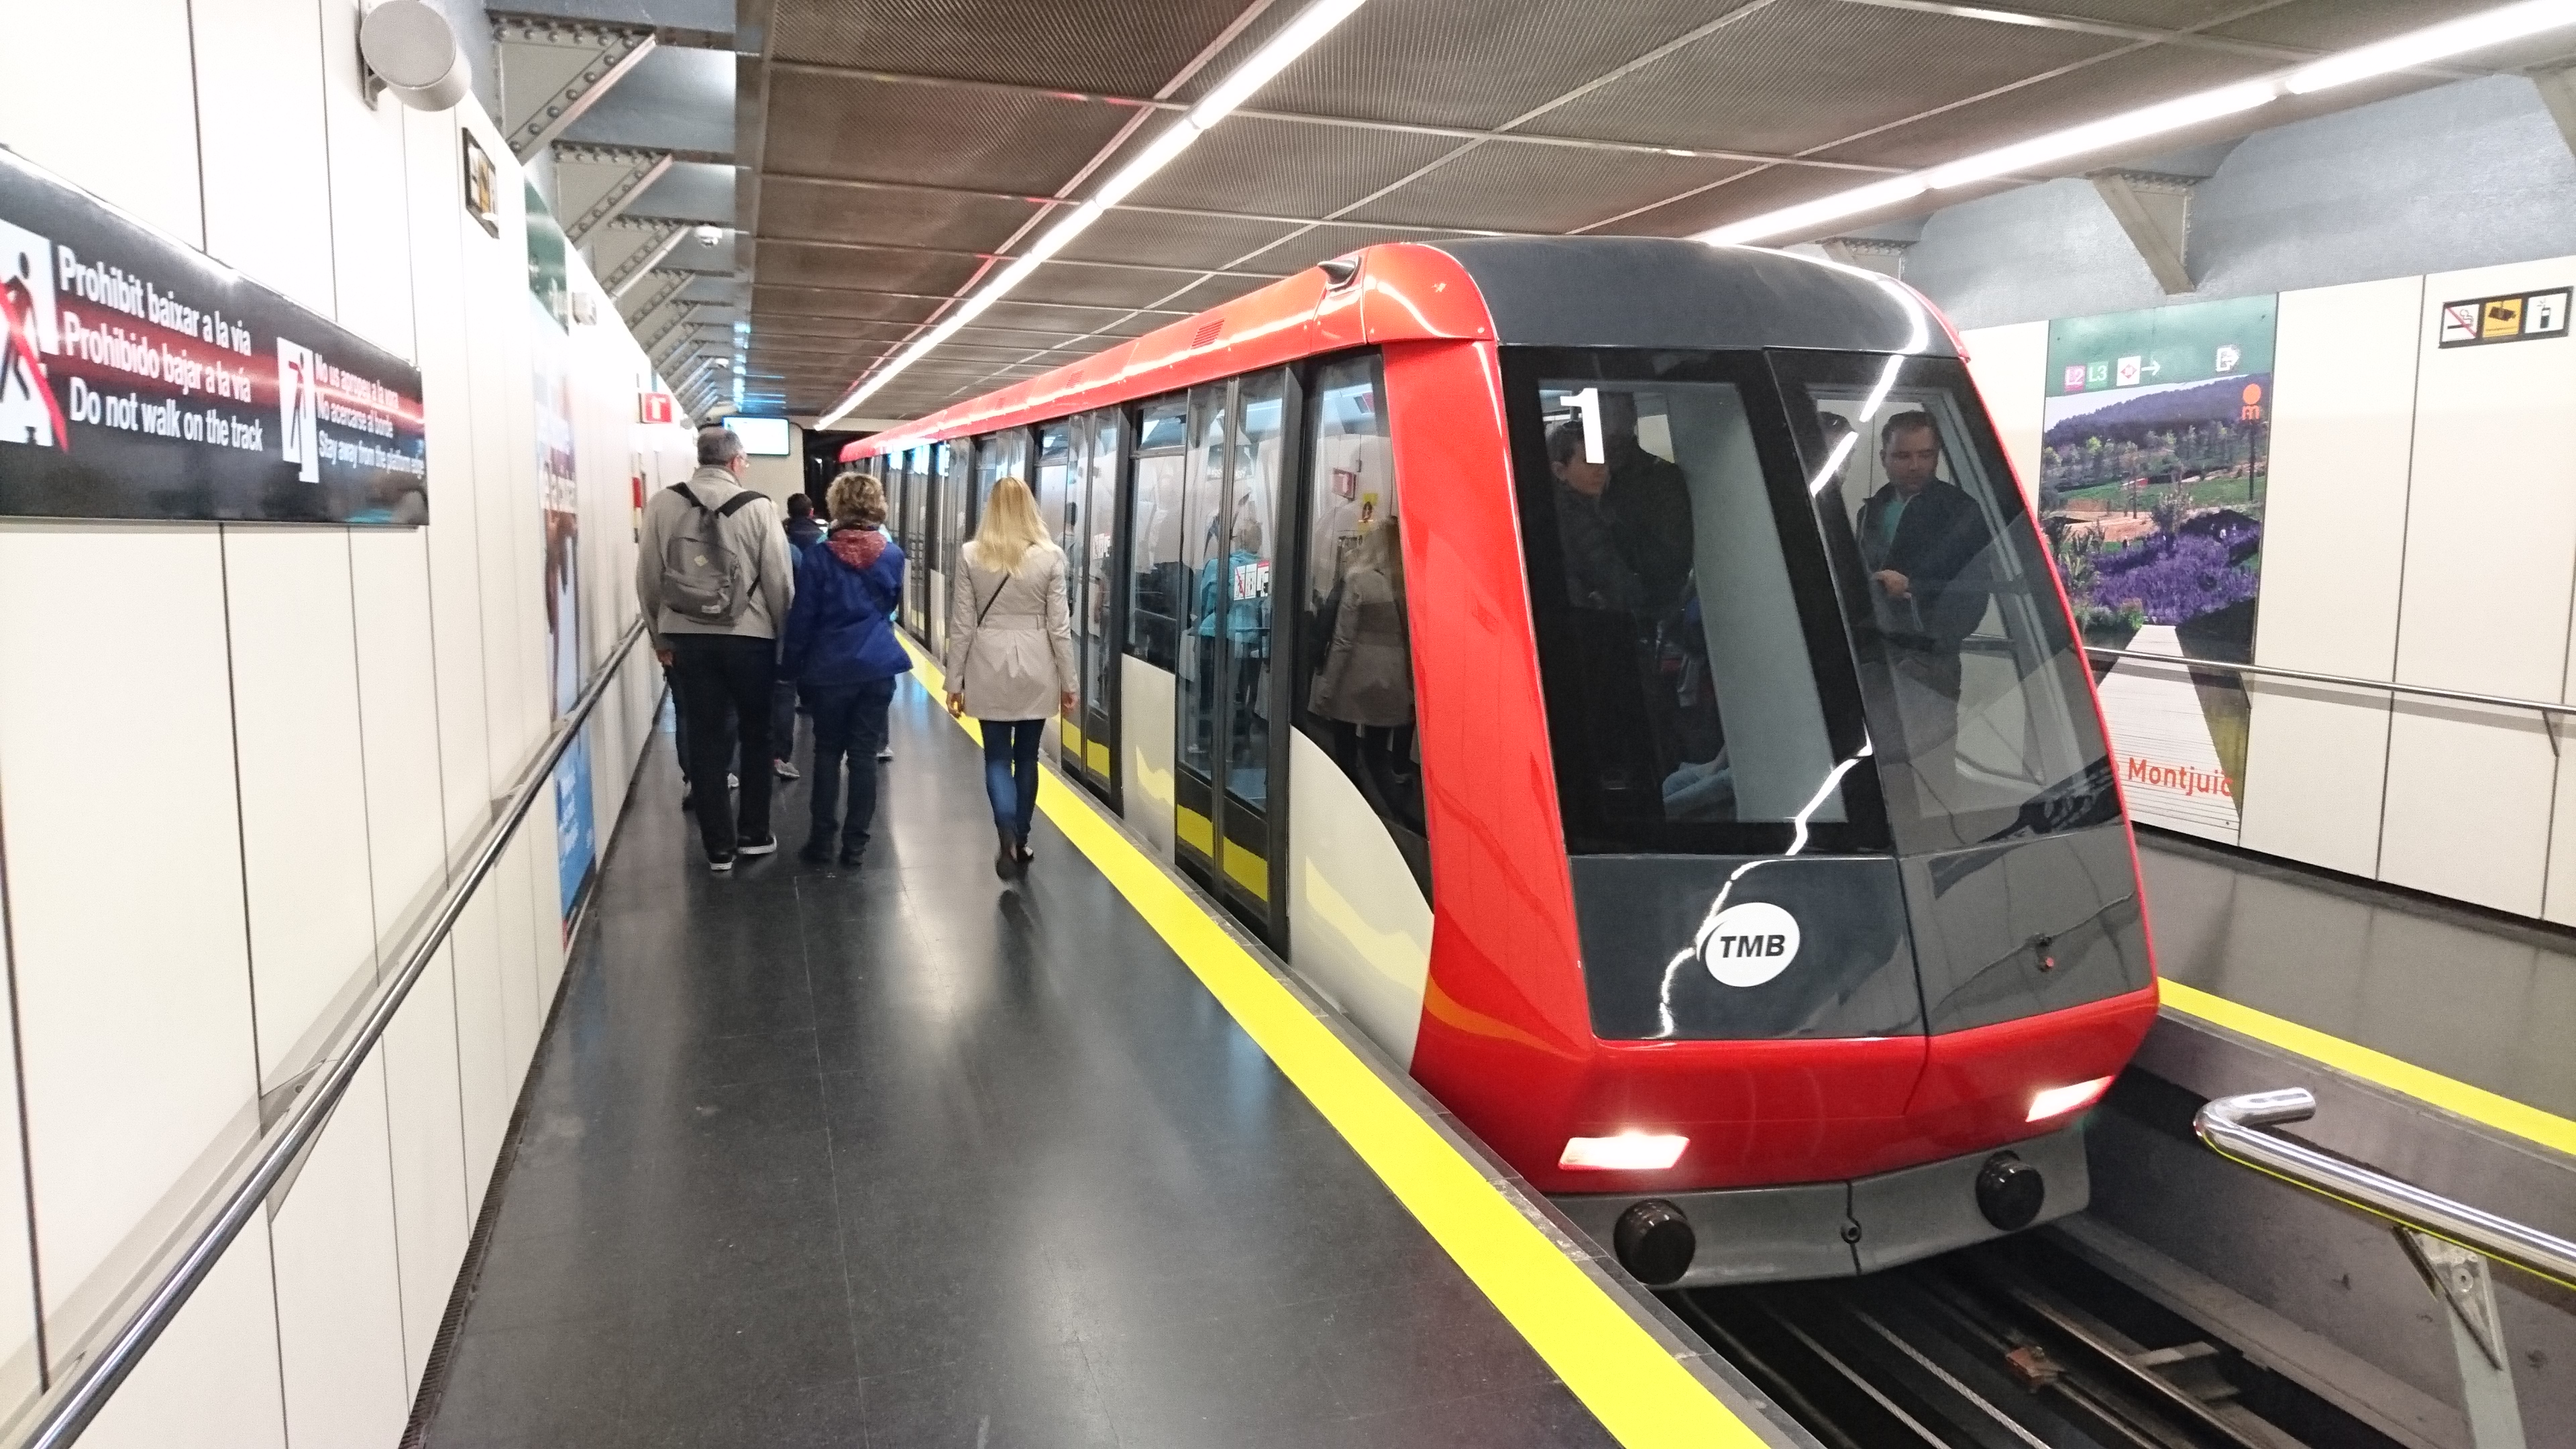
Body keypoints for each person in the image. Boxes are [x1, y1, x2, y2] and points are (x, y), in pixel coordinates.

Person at [637, 427, 795, 871]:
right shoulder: (759, 507)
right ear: (734, 462)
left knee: (705, 739)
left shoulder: (663, 504)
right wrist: (782, 639)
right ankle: (754, 834)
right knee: (757, 733)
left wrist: (659, 636)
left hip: (687, 637)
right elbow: (780, 581)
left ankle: (718, 848)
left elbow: (649, 577)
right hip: (751, 638)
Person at [943, 476, 1077, 878]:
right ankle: (1021, 837)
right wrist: (1070, 683)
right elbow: (1060, 629)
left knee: (997, 757)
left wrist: (954, 682)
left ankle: (1004, 826)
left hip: (987, 663)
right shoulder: (1051, 557)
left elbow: (963, 624)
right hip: (1037, 665)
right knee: (1027, 757)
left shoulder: (970, 555)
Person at [780, 472, 908, 867]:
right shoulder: (892, 555)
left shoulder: (818, 558)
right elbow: (890, 605)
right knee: (864, 756)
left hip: (829, 670)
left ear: (836, 505)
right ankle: (856, 846)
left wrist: (790, 667)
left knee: (827, 752)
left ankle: (821, 842)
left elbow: (803, 619)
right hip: (875, 668)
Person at [1855, 411, 1990, 702]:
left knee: (1932, 744)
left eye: (1925, 455)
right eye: (1903, 456)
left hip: (1931, 662)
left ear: (1937, 456)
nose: (1915, 466)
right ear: (1884, 458)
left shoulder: (1961, 512)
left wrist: (1912, 589)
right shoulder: (1870, 511)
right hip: (1873, 658)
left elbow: (1974, 592)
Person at [769, 492, 824, 781]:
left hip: (743, 638)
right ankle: (780, 756)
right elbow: (799, 596)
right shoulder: (795, 551)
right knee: (783, 691)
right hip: (783, 633)